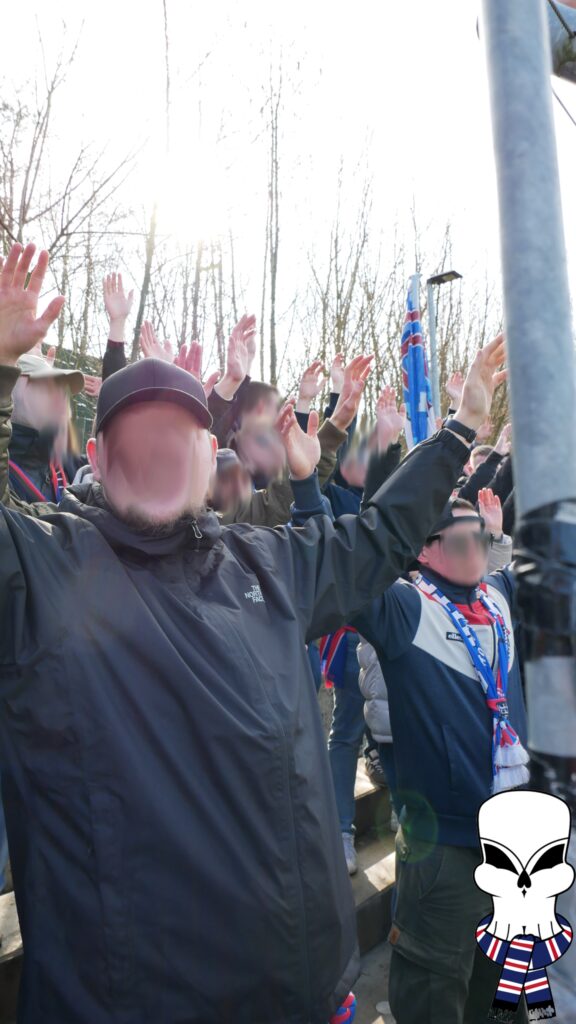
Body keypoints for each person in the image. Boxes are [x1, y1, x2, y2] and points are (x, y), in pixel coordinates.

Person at [0, 242, 498, 1024]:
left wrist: (460, 431)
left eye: (183, 437)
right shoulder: (44, 571)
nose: (163, 453)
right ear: (98, 456)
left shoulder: (269, 562)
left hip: (304, 993)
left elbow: (376, 540)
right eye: (138, 438)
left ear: (210, 460)